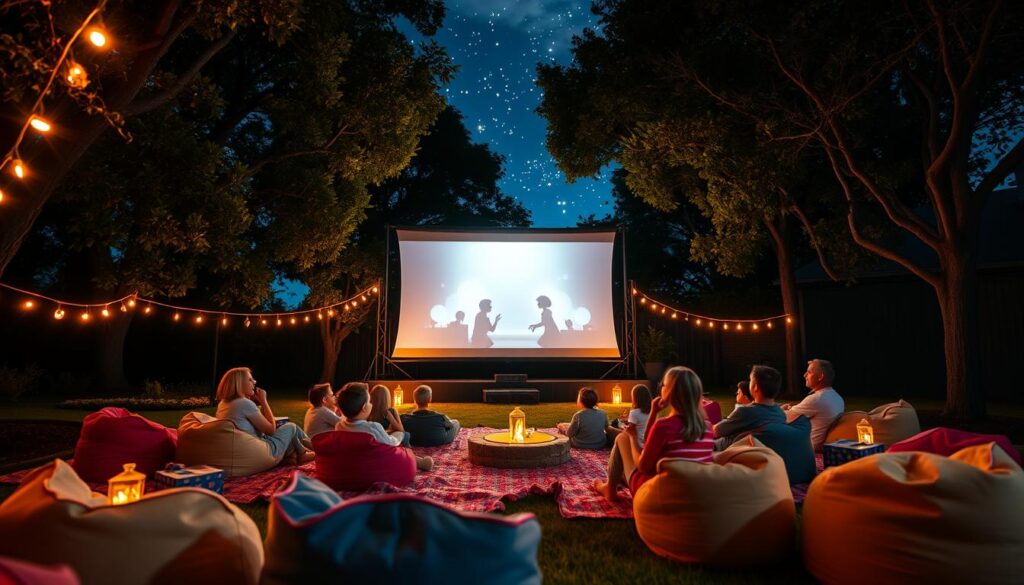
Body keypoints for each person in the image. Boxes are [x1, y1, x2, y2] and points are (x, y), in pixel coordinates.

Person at [594, 366, 714, 502]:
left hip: (655, 493)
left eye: (663, 385)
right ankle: (617, 480)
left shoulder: (664, 426)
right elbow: (648, 441)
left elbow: (643, 467)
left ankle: (610, 489)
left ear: (668, 392)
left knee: (622, 437)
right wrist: (653, 412)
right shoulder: (708, 428)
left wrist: (632, 437)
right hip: (689, 494)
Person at [215, 367, 315, 464]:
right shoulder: (244, 403)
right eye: (250, 380)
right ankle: (318, 451)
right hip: (257, 452)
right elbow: (271, 430)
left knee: (290, 439)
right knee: (291, 427)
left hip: (241, 451)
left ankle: (295, 455)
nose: (254, 382)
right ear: (239, 384)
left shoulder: (223, 404)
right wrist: (263, 401)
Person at [335, 382, 433, 472]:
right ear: (364, 407)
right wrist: (398, 434)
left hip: (355, 460)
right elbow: (391, 443)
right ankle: (420, 462)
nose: (371, 404)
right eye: (369, 402)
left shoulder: (339, 426)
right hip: (374, 461)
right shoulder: (373, 427)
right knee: (402, 447)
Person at [713, 366, 786, 451]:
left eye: (751, 380)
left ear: (755, 387)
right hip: (759, 453)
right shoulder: (780, 413)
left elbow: (716, 431)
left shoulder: (745, 411)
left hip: (726, 451)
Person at [782, 359, 845, 451]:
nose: (804, 375)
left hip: (805, 448)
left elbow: (783, 418)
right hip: (817, 446)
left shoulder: (817, 399)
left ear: (820, 376)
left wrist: (781, 409)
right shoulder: (837, 397)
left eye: (809, 372)